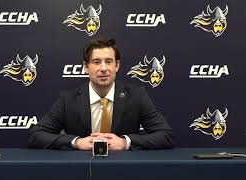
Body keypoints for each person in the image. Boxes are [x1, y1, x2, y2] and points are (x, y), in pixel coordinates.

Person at [28, 37, 174, 150]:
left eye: (108, 61)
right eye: (97, 62)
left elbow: (165, 135)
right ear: (86, 67)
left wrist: (125, 142)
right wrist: (76, 142)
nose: (103, 68)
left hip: (124, 170)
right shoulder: (68, 99)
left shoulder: (137, 96)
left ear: (117, 65)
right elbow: (36, 135)